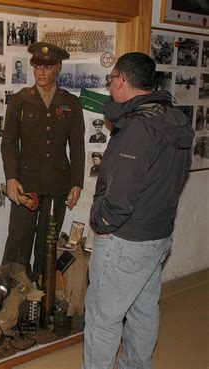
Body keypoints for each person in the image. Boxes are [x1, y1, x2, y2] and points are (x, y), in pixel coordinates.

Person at [83, 52, 194, 369]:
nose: (110, 86)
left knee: (103, 318)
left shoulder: (138, 130)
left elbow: (122, 194)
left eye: (111, 79)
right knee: (144, 310)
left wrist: (102, 223)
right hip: (157, 235)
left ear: (121, 81)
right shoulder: (173, 119)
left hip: (125, 240)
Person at [1, 42, 85, 281]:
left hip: (58, 184)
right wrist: (11, 178)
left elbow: (77, 146)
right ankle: (10, 293)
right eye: (37, 66)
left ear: (57, 68)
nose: (40, 72)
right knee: (18, 239)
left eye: (47, 67)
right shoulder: (20, 101)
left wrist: (76, 183)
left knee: (47, 243)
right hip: (25, 184)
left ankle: (42, 293)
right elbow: (8, 143)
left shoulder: (70, 103)